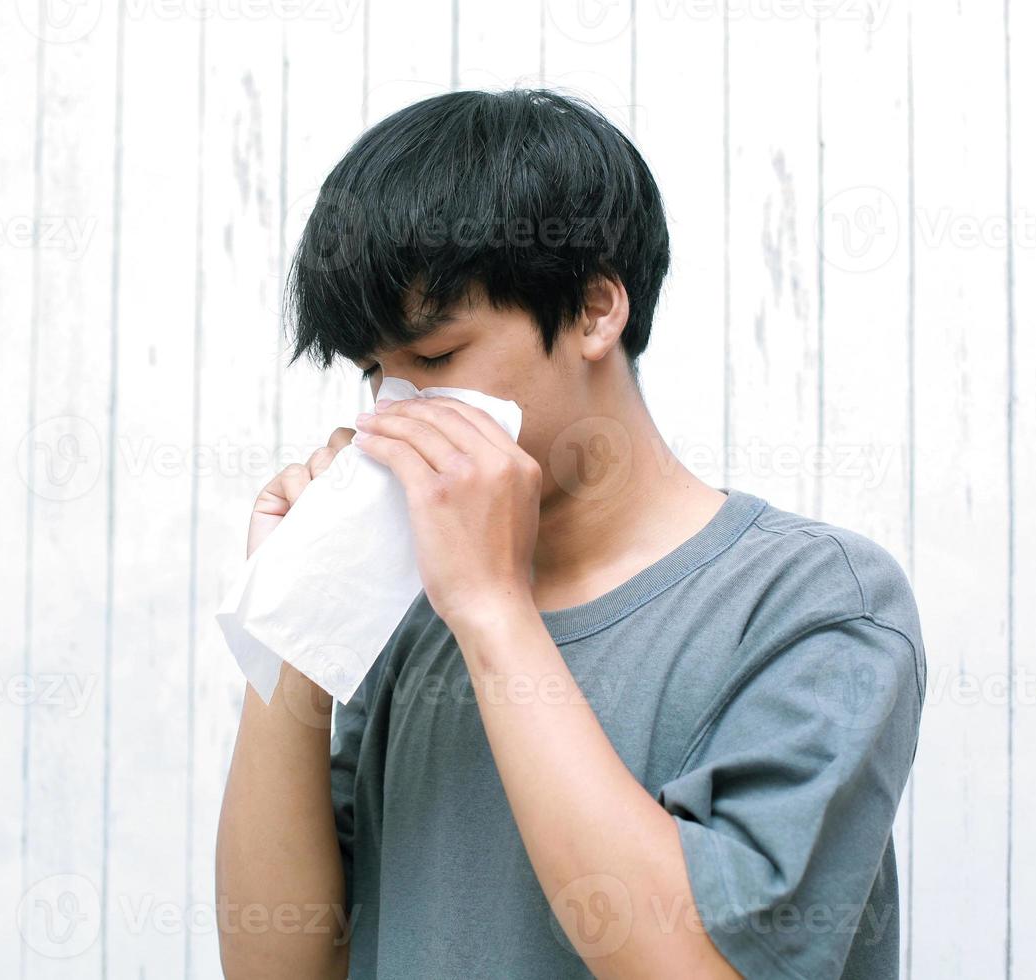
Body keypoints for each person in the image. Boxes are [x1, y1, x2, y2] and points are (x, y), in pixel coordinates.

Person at [215, 87, 925, 980]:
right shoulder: (405, 607)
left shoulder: (811, 604)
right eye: (374, 375)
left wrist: (491, 608)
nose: (397, 416)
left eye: (435, 360)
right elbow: (277, 967)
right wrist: (293, 634)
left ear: (595, 311)